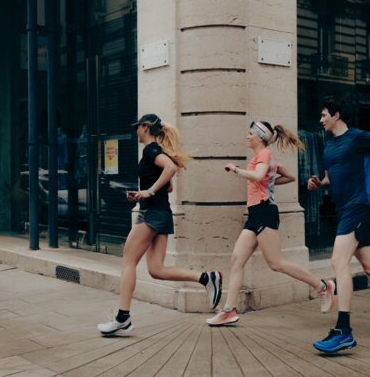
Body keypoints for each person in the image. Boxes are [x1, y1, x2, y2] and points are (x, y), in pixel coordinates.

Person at [98, 114, 223, 336]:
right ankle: (206, 277)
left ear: (145, 127)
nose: (136, 131)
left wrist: (149, 191)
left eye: (137, 127)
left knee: (128, 261)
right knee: (156, 269)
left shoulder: (151, 150)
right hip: (159, 212)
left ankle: (123, 318)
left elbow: (171, 169)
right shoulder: (157, 151)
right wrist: (142, 193)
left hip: (152, 214)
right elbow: (171, 187)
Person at [206, 120, 335, 327]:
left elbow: (258, 175)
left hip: (264, 211)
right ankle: (229, 310)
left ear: (260, 137)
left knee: (276, 263)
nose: (247, 137)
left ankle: (321, 285)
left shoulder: (264, 154)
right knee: (236, 261)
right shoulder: (264, 157)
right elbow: (290, 177)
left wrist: (236, 169)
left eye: (250, 134)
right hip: (256, 213)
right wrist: (269, 180)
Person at [307, 97, 370, 353]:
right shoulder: (328, 145)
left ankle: (344, 331)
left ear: (336, 115)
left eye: (324, 115)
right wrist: (318, 183)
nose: (321, 120)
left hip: (359, 206)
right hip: (344, 208)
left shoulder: (357, 137)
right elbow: (330, 177)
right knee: (367, 265)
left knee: (337, 261)